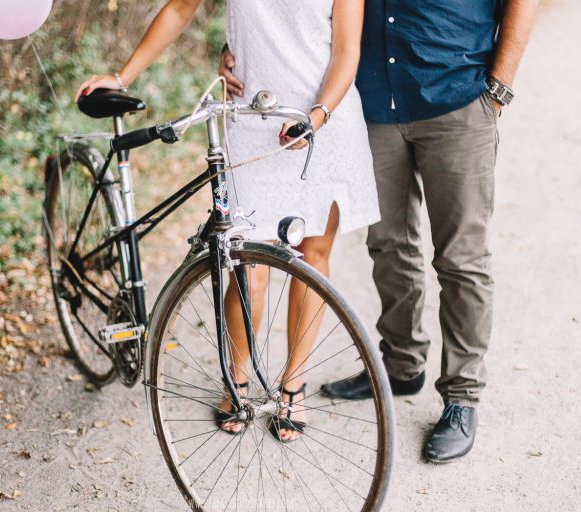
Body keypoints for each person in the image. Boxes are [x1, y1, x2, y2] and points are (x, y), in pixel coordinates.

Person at [220, 0, 539, 462]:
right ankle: (401, 364)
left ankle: (462, 398)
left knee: (461, 259)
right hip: (374, 101)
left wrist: (500, 86)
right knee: (388, 244)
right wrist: (235, 49)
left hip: (456, 94)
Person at [74, 0, 379, 443]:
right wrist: (122, 77)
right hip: (251, 117)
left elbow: (347, 51)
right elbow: (179, 10)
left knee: (311, 258)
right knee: (245, 266)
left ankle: (292, 387)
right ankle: (237, 381)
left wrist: (316, 118)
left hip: (321, 122)